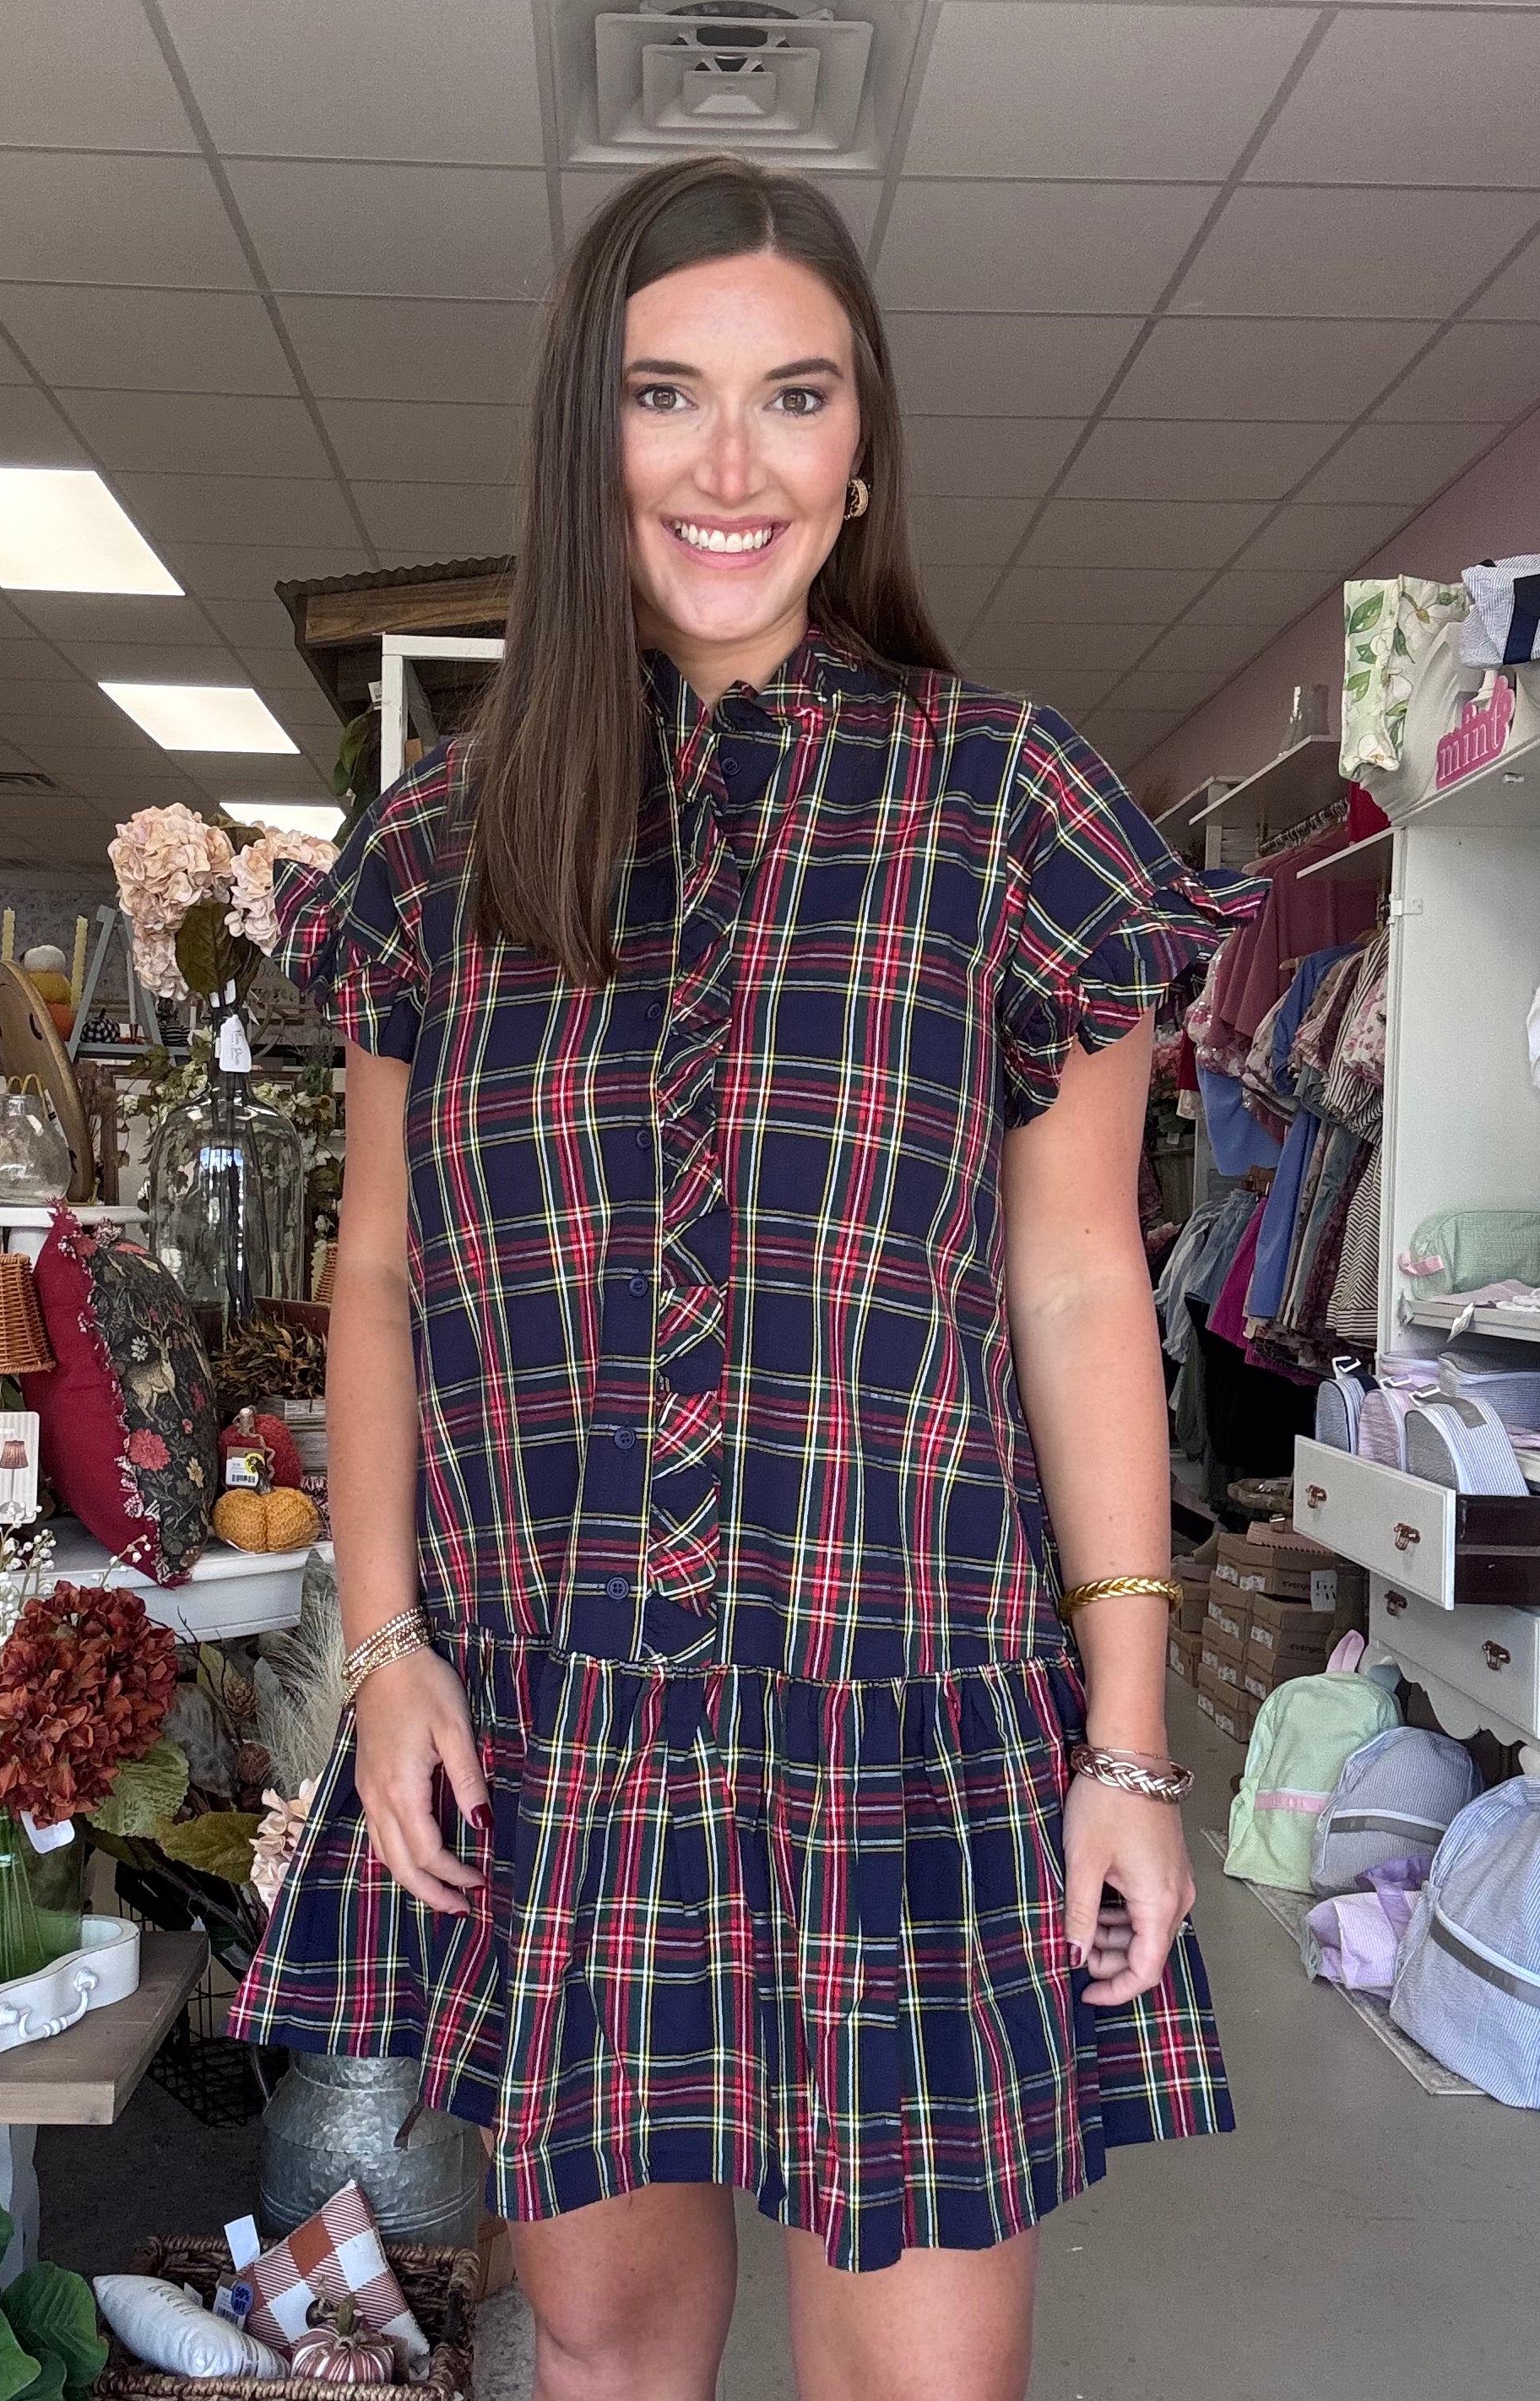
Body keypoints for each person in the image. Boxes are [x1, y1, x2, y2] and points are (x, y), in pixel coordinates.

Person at [231, 153, 1261, 2401]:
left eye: (795, 396)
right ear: (579, 441)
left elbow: (1083, 1289)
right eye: (664, 395)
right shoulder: (442, 852)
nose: (732, 464)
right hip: (563, 1715)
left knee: (923, 2377)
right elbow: (381, 1271)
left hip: (900, 1709)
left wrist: (1130, 1744)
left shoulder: (1003, 809)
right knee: (604, 2343)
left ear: (862, 442)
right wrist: (386, 1648)